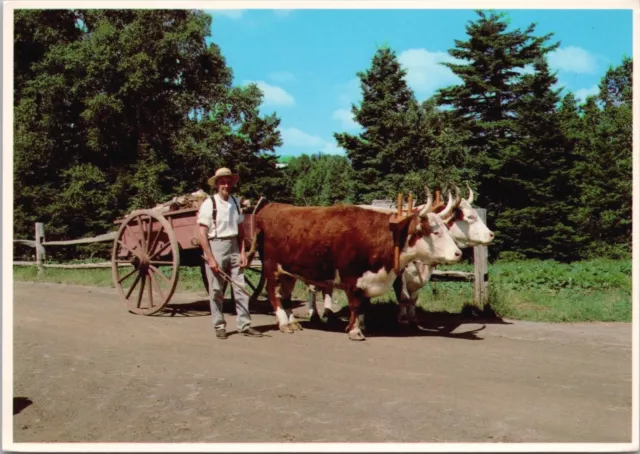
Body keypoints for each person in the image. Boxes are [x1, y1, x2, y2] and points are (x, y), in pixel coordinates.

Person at [197, 167, 263, 339]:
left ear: (232, 183)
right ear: (217, 184)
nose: (225, 185)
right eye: (222, 182)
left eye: (228, 182)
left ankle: (244, 325)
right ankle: (219, 325)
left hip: (234, 246)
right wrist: (211, 258)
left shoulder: (235, 202)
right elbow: (202, 234)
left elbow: (241, 230)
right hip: (216, 245)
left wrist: (242, 252)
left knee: (241, 288)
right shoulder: (209, 204)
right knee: (217, 290)